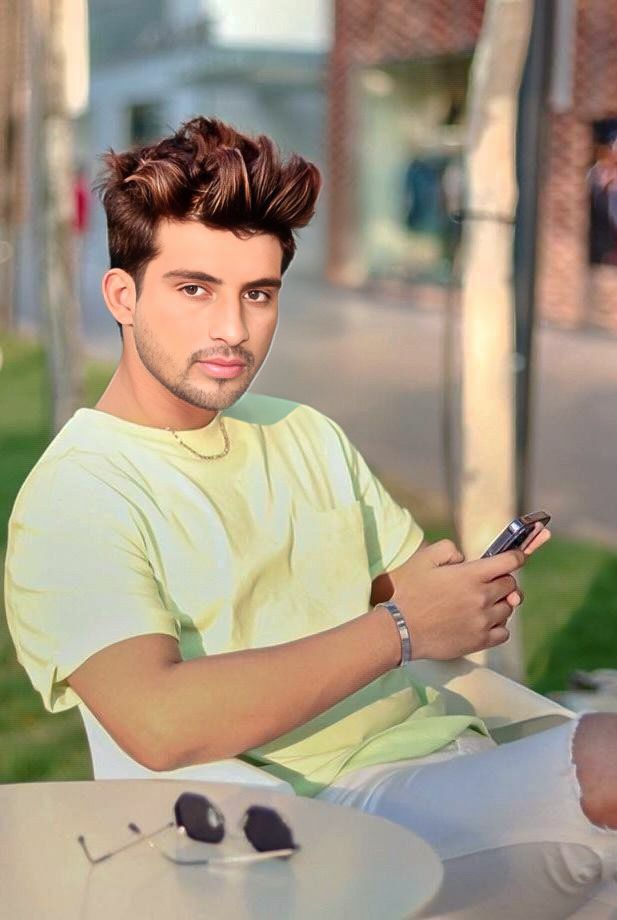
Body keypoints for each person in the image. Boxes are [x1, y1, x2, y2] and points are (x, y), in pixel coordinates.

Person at [4, 117, 617, 918]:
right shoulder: (79, 496)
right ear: (123, 295)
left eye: (257, 294)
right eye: (194, 290)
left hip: (451, 750)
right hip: (306, 823)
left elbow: (390, 593)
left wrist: (457, 599)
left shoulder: (301, 431)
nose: (232, 329)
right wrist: (402, 629)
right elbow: (155, 722)